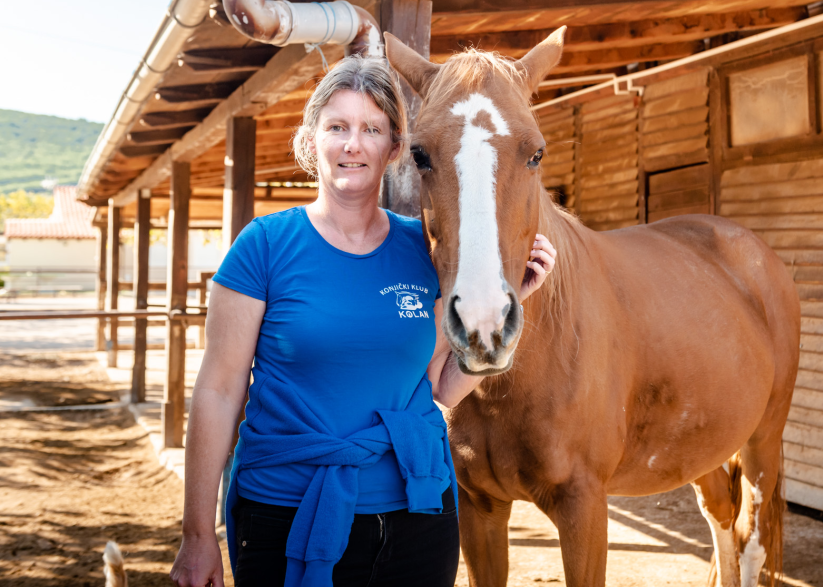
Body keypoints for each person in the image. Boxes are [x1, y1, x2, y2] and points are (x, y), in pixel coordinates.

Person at [169, 55, 557, 587]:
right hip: (284, 509)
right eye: (337, 127)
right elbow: (217, 391)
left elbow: (442, 388)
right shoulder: (262, 247)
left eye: (371, 129)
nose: (353, 144)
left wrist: (516, 302)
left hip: (419, 511)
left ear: (394, 149)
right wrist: (196, 534)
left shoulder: (422, 250)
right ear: (311, 140)